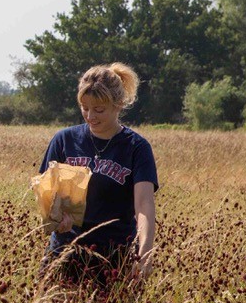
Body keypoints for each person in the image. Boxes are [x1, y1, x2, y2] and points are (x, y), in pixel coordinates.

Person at [39, 62, 157, 288]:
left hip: (115, 258)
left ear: (118, 105)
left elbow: (144, 205)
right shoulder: (64, 140)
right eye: (84, 108)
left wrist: (144, 252)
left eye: (99, 110)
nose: (90, 116)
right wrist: (56, 218)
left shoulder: (137, 148)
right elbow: (46, 194)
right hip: (65, 253)